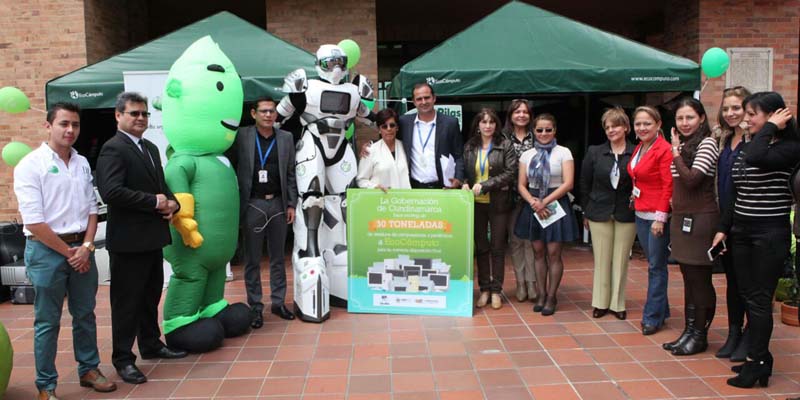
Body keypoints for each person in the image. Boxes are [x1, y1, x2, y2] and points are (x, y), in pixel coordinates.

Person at [13, 103, 117, 399]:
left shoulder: (81, 162)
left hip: (81, 248)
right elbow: (34, 222)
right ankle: (46, 385)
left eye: (75, 124)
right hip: (46, 251)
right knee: (47, 321)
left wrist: (86, 246)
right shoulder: (30, 165)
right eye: (63, 124)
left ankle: (89, 369)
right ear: (48, 126)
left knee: (85, 314)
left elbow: (92, 209)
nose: (70, 130)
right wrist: (70, 253)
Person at [96, 92, 187, 385]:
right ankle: (123, 359)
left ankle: (150, 344)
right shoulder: (113, 148)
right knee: (126, 304)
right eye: (134, 113)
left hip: (152, 238)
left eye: (144, 113)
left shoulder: (150, 147)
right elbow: (111, 191)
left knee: (150, 296)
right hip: (128, 243)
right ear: (118, 115)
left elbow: (161, 186)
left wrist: (173, 204)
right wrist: (153, 202)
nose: (140, 118)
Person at [711, 92, 799, 388]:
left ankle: (756, 361)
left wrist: (771, 127)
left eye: (752, 114)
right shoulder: (752, 144)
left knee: (760, 300)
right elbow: (735, 191)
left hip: (768, 234)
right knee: (747, 295)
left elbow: (757, 158)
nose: (746, 120)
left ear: (775, 116)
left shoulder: (789, 148)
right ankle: (761, 359)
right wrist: (724, 228)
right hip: (742, 232)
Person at [228, 97, 298, 327]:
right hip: (253, 204)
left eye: (272, 111)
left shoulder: (286, 138)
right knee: (252, 259)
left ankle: (278, 303)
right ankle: (255, 307)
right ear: (253, 114)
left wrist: (291, 204)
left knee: (278, 258)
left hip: (278, 204)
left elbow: (291, 173)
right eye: (264, 111)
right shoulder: (242, 136)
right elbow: (230, 166)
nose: (268, 115)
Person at [661, 97, 719, 356]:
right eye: (680, 118)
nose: (685, 123)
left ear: (702, 118)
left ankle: (699, 335)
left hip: (701, 218)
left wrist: (674, 152)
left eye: (690, 117)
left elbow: (693, 179)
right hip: (682, 219)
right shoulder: (684, 145)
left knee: (700, 280)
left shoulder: (707, 143)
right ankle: (689, 331)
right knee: (688, 279)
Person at [515, 113, 578, 316]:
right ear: (534, 131)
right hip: (533, 203)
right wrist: (534, 202)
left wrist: (545, 202)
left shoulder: (564, 152)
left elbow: (568, 183)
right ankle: (541, 294)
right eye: (539, 130)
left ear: (555, 130)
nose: (544, 133)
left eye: (548, 129)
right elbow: (521, 184)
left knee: (553, 253)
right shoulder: (527, 155)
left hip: (555, 203)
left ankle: (552, 296)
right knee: (538, 252)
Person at [579, 107, 636, 321]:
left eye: (616, 126)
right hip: (598, 211)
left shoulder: (636, 152)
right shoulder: (595, 152)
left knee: (621, 259)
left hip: (626, 212)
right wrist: (586, 210)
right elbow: (584, 183)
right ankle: (600, 302)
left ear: (626, 128)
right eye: (607, 127)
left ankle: (617, 303)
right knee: (602, 259)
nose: (611, 130)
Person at [462, 108, 516, 310]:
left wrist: (486, 185)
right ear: (478, 125)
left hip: (498, 202)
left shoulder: (505, 145)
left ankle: (496, 291)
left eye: (491, 122)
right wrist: (464, 182)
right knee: (481, 247)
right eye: (483, 122)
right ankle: (484, 288)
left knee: (498, 247)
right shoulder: (470, 145)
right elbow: (465, 170)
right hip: (475, 204)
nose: (487, 126)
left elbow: (511, 173)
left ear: (496, 125)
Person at [627, 106, 673, 336]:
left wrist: (660, 218)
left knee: (656, 267)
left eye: (647, 123)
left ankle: (652, 317)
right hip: (640, 213)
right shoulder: (640, 147)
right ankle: (662, 310)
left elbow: (668, 185)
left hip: (656, 217)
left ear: (658, 124)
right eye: (638, 124)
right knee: (654, 264)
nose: (642, 128)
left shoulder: (664, 149)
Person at [713, 86, 752, 361]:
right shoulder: (723, 140)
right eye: (726, 108)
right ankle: (734, 332)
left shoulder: (757, 141)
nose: (730, 113)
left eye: (736, 108)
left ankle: (751, 335)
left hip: (747, 222)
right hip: (725, 221)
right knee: (733, 282)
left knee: (749, 284)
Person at [502, 99, 537, 302]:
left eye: (525, 112)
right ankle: (520, 283)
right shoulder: (502, 137)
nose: (521, 115)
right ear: (511, 115)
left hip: (534, 195)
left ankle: (532, 282)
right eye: (517, 112)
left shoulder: (538, 136)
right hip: (510, 196)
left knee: (531, 241)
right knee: (515, 241)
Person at [399, 82, 464, 189]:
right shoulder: (405, 122)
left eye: (427, 97)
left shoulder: (450, 123)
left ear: (434, 98)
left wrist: (458, 178)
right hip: (414, 188)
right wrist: (371, 147)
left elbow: (459, 155)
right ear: (414, 102)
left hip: (443, 188)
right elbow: (386, 129)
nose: (423, 102)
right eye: (419, 99)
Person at [357, 108, 411, 190]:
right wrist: (374, 187)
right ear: (379, 130)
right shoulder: (370, 150)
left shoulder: (406, 147)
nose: (389, 129)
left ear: (397, 127)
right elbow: (361, 180)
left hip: (405, 197)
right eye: (384, 126)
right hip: (382, 197)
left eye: (392, 125)